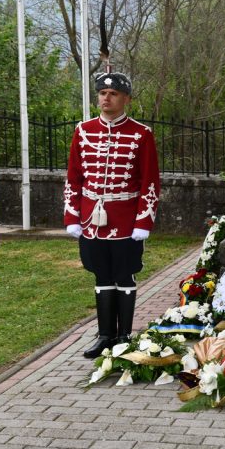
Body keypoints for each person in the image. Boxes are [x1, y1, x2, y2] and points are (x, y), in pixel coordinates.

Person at [64, 72, 160, 359]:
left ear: (126, 99)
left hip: (126, 219)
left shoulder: (141, 134)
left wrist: (143, 221)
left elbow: (149, 181)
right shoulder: (83, 130)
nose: (106, 98)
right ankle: (104, 335)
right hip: (91, 219)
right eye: (102, 94)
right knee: (101, 274)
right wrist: (72, 216)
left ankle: (124, 336)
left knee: (124, 275)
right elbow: (73, 178)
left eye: (113, 94)